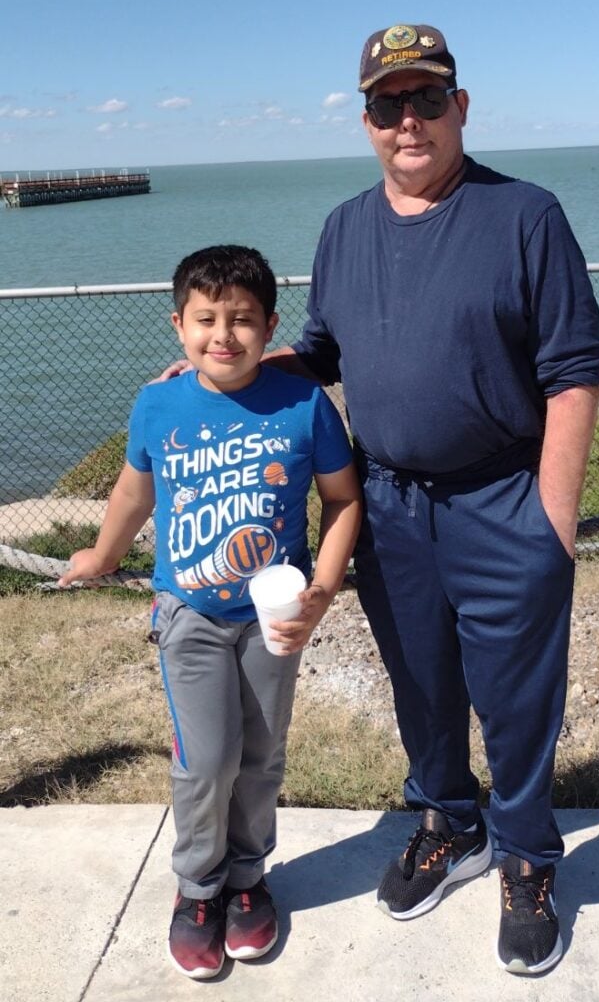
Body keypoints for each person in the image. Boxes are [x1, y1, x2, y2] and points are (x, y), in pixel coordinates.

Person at [263, 24, 599, 975]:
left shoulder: (526, 214)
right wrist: (240, 367)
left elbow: (573, 371)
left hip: (503, 499)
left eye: (425, 99)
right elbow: (323, 351)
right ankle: (452, 825)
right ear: (366, 119)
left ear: (460, 107)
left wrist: (554, 521)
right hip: (387, 505)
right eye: (386, 104)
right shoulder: (343, 226)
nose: (406, 120)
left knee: (516, 700)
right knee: (422, 688)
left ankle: (529, 856)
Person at [59, 245, 361, 980]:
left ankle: (249, 878)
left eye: (242, 320)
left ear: (271, 327)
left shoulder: (305, 404)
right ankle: (198, 889)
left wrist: (320, 590)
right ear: (178, 325)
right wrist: (101, 555)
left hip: (274, 619)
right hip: (188, 614)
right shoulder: (157, 403)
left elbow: (342, 499)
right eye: (206, 320)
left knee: (261, 757)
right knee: (207, 760)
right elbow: (135, 494)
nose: (223, 336)